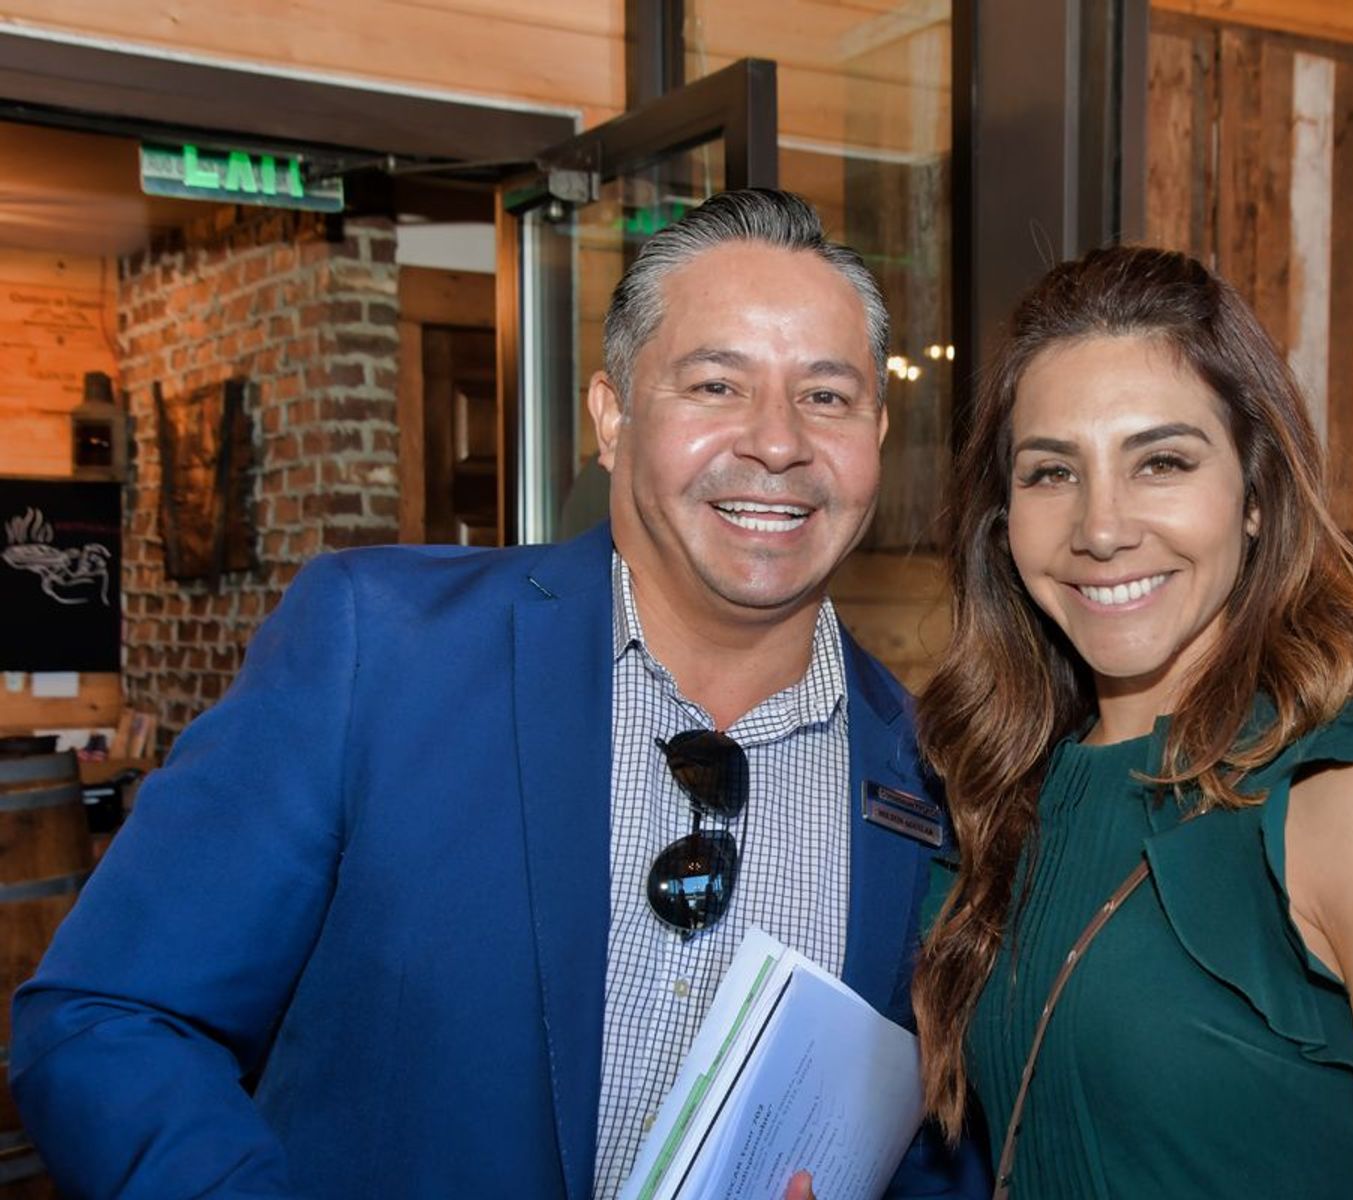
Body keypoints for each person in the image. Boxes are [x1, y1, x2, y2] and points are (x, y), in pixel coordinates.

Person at [11, 189, 980, 1200]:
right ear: (612, 417)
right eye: (715, 384)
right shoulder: (380, 652)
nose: (777, 442)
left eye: (826, 396)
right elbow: (106, 1019)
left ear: (876, 430)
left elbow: (932, 1147)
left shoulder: (936, 783)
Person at [910, 246, 1353, 1198]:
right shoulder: (1009, 787)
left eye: (1162, 462)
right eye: (1051, 472)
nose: (1101, 528)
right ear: (1002, 518)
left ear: (1255, 496)